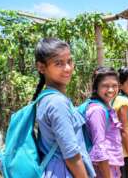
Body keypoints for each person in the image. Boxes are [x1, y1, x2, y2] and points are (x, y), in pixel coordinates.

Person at [34, 38, 95, 178]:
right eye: (58, 63)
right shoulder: (57, 102)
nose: (68, 68)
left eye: (69, 61)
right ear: (41, 67)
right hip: (64, 171)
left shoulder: (47, 97)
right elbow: (72, 156)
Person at [84, 67, 124, 178]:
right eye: (105, 86)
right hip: (103, 169)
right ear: (96, 87)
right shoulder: (97, 110)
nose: (111, 90)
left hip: (111, 166)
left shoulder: (106, 106)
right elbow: (99, 147)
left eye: (114, 86)